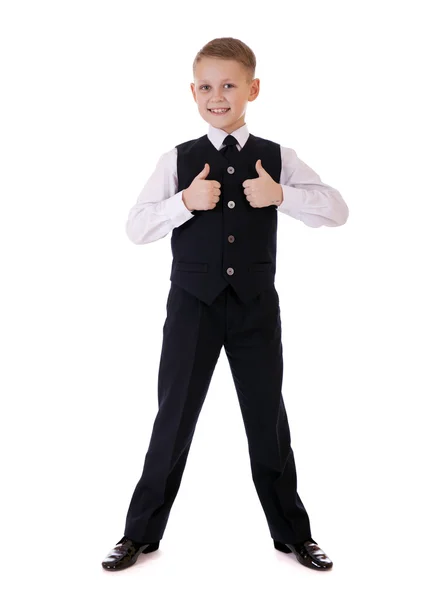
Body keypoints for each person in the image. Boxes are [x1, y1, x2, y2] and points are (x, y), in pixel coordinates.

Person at [102, 36, 349, 572]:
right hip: (193, 308)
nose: (218, 96)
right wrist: (183, 203)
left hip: (257, 309)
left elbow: (336, 210)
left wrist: (284, 196)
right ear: (193, 92)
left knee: (268, 423)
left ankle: (293, 534)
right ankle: (138, 535)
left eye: (230, 85)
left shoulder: (279, 158)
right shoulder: (178, 159)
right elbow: (135, 226)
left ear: (252, 89)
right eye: (208, 87)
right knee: (172, 422)